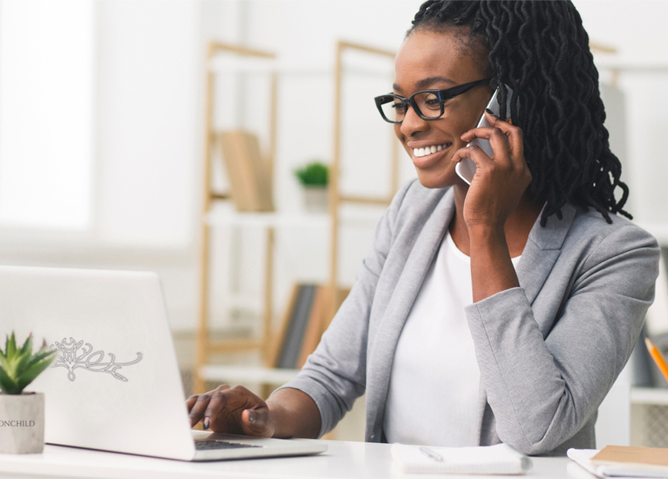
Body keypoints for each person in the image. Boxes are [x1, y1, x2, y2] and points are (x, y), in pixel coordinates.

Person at [187, 0, 660, 455]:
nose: (408, 124)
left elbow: (536, 427)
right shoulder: (413, 212)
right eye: (400, 102)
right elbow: (332, 376)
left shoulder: (614, 254)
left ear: (512, 96)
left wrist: (484, 228)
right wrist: (266, 418)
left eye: (431, 99)